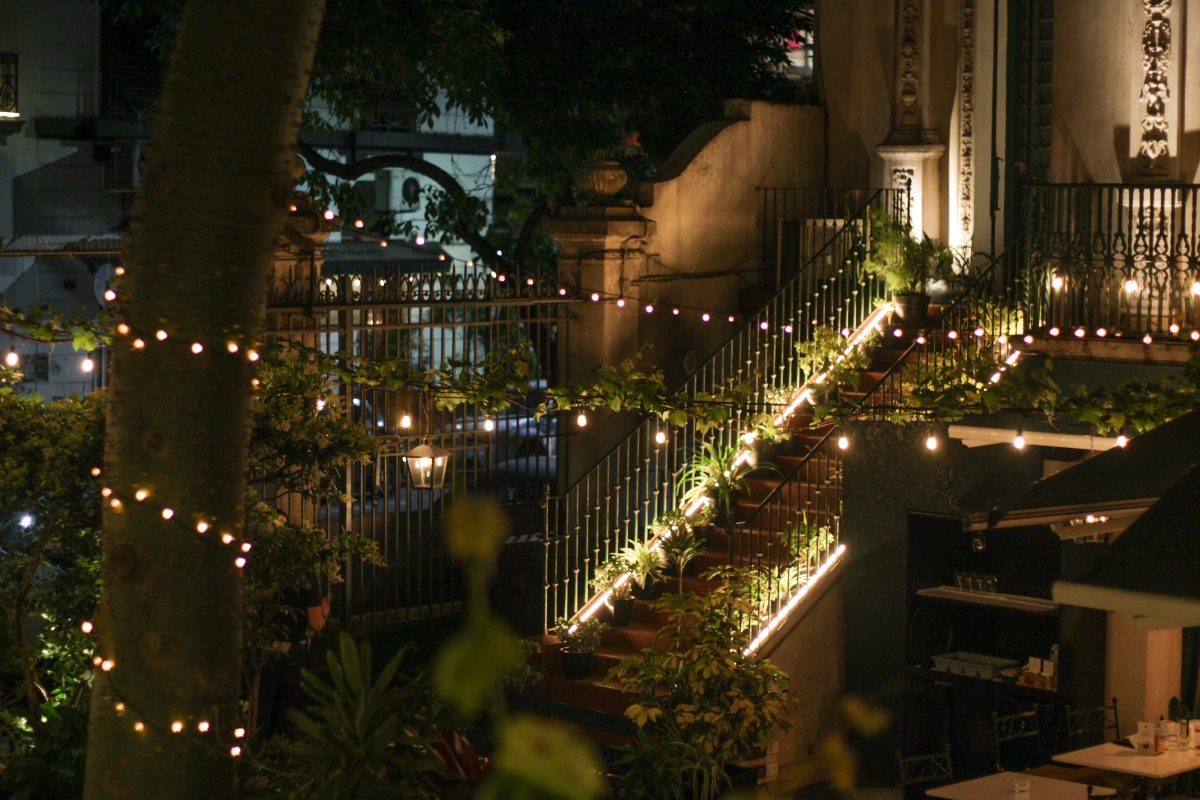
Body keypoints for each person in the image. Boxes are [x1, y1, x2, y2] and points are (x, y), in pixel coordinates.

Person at [255, 583, 329, 738]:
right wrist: (325, 612)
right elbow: (316, 623)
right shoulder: (307, 577)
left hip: (264, 650)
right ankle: (280, 755)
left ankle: (258, 753)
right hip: (293, 653)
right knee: (287, 716)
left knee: (262, 715)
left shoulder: (267, 572)